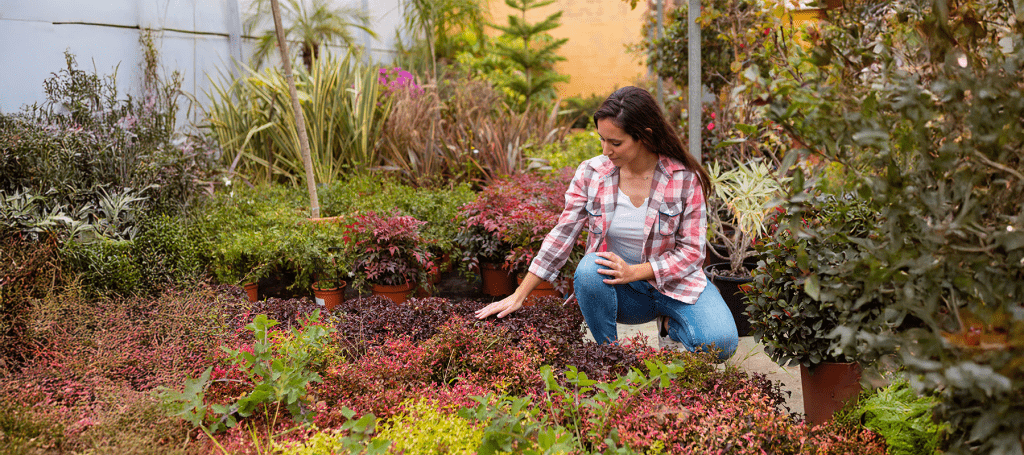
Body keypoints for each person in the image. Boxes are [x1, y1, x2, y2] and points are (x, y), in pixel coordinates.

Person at [474, 86, 738, 361]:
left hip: (678, 286)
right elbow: (563, 234)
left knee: (721, 344)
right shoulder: (592, 173)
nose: (606, 150)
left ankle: (671, 325)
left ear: (645, 136)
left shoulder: (684, 178)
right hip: (624, 295)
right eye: (602, 140)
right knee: (589, 270)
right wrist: (519, 295)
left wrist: (634, 271)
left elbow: (692, 253)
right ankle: (610, 357)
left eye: (615, 142)